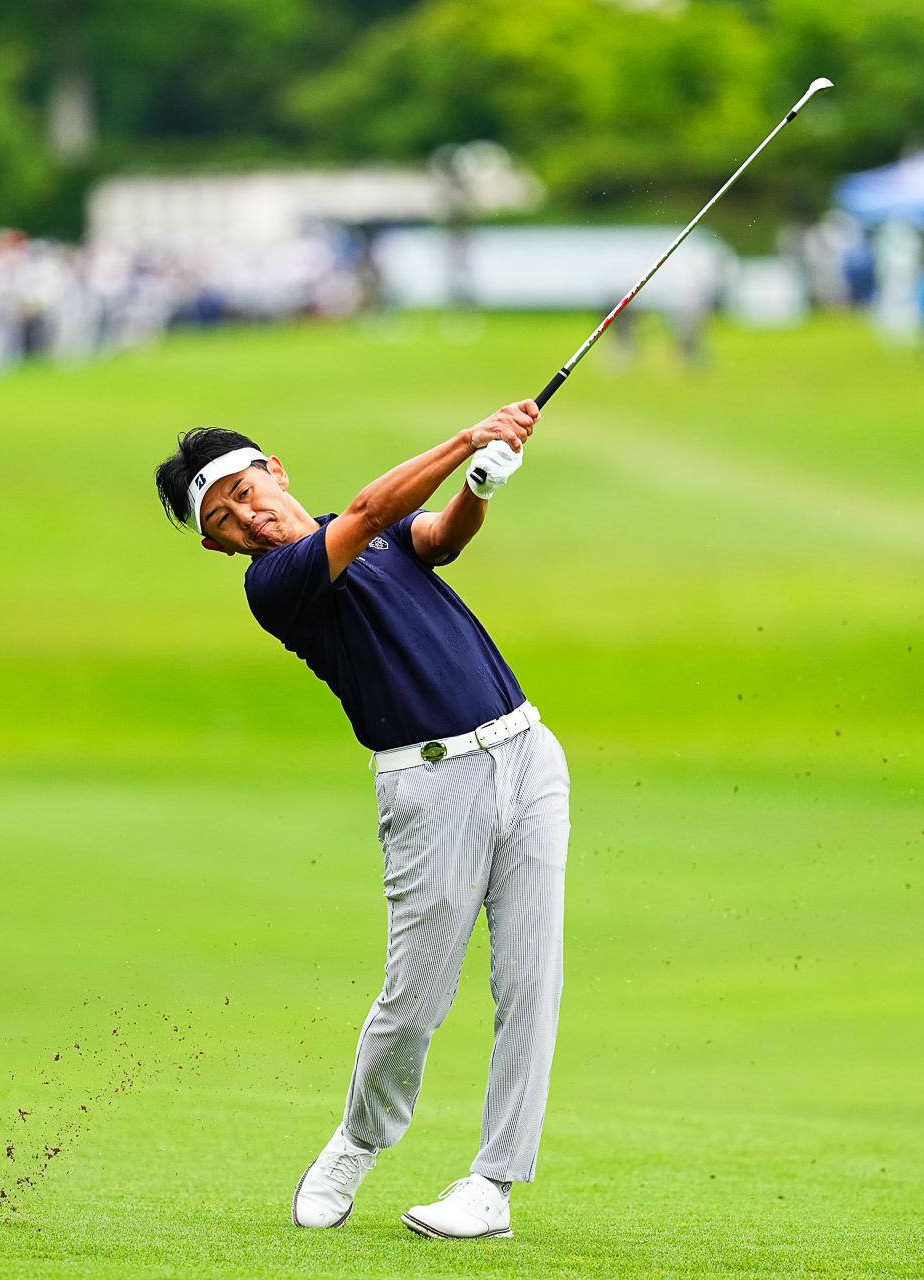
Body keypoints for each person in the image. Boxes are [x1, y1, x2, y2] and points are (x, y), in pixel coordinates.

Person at [151, 401, 567, 1242]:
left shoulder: (367, 530)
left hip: (528, 752)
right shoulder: (277, 583)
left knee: (531, 982)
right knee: (415, 998)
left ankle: (493, 1185)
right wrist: (469, 437)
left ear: (276, 472)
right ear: (218, 547)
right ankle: (356, 1144)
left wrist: (481, 483)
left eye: (245, 491)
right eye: (224, 519)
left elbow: (435, 539)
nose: (247, 517)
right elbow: (376, 511)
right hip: (430, 784)